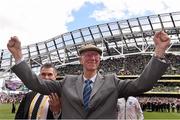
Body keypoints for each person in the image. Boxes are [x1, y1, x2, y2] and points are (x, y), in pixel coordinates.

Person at [7, 31, 170, 119]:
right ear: (80, 59)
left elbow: (141, 85)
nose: (91, 57)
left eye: (95, 54)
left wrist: (160, 51)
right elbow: (37, 85)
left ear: (99, 59)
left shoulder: (112, 81)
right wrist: (18, 56)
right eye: (87, 54)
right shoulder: (66, 82)